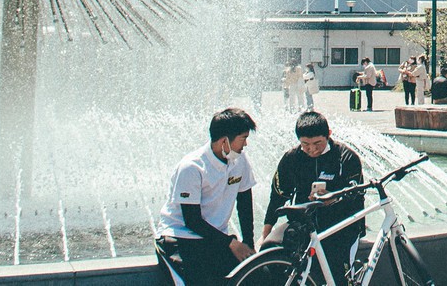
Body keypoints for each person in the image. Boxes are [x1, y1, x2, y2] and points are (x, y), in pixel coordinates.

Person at [155, 107, 257, 286]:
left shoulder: (240, 160)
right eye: (243, 139)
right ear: (224, 140)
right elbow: (192, 220)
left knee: (259, 275)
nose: (245, 145)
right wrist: (231, 244)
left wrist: (248, 244)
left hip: (214, 240)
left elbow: (245, 203)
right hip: (180, 237)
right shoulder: (192, 167)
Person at [264, 111, 366, 280]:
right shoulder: (292, 158)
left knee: (337, 276)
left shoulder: (346, 157)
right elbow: (277, 195)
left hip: (340, 227)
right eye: (305, 144)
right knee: (268, 249)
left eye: (317, 143)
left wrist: (333, 198)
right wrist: (265, 233)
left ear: (329, 135)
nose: (311, 149)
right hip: (305, 225)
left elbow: (355, 195)